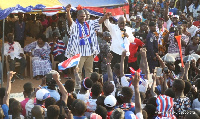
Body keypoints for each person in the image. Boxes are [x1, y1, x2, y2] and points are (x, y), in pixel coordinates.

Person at [65, 4, 103, 79]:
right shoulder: (75, 25)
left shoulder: (89, 23)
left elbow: (99, 21)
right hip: (79, 53)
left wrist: (105, 16)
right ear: (77, 17)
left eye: (84, 16)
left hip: (89, 53)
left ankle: (88, 87)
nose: (83, 18)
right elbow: (70, 22)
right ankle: (78, 88)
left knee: (89, 71)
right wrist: (68, 12)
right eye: (81, 16)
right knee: (78, 71)